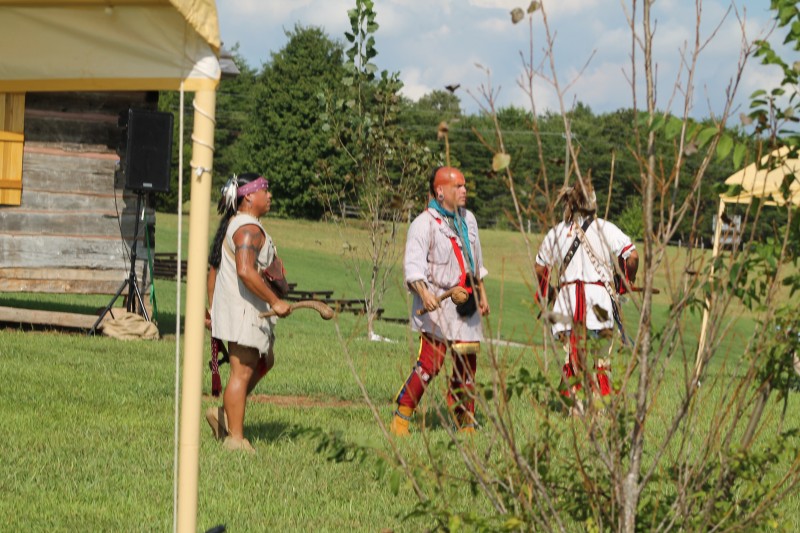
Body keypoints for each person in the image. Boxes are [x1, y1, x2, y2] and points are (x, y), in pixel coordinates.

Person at [390, 166, 490, 437]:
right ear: (440, 191)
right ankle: (402, 414)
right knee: (431, 364)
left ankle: (464, 418)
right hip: (436, 301)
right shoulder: (423, 224)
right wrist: (425, 294)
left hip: (465, 300)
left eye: (464, 185)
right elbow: (413, 267)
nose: (464, 191)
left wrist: (482, 294)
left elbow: (476, 261)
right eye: (457, 186)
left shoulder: (468, 219)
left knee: (467, 365)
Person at [533, 176, 638, 413]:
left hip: (567, 304)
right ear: (593, 203)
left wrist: (548, 292)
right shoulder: (606, 229)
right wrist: (626, 281)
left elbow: (540, 267)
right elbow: (632, 256)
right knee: (601, 360)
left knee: (573, 357)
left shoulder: (558, 231)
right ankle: (600, 409)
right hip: (599, 303)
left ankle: (576, 408)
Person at [204, 172, 291, 452]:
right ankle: (236, 439)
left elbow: (216, 270)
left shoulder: (241, 226)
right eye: (265, 190)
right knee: (241, 374)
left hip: (243, 310)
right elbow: (244, 270)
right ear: (249, 196)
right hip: (244, 312)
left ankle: (225, 414)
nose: (269, 196)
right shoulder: (247, 229)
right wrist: (274, 301)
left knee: (265, 361)